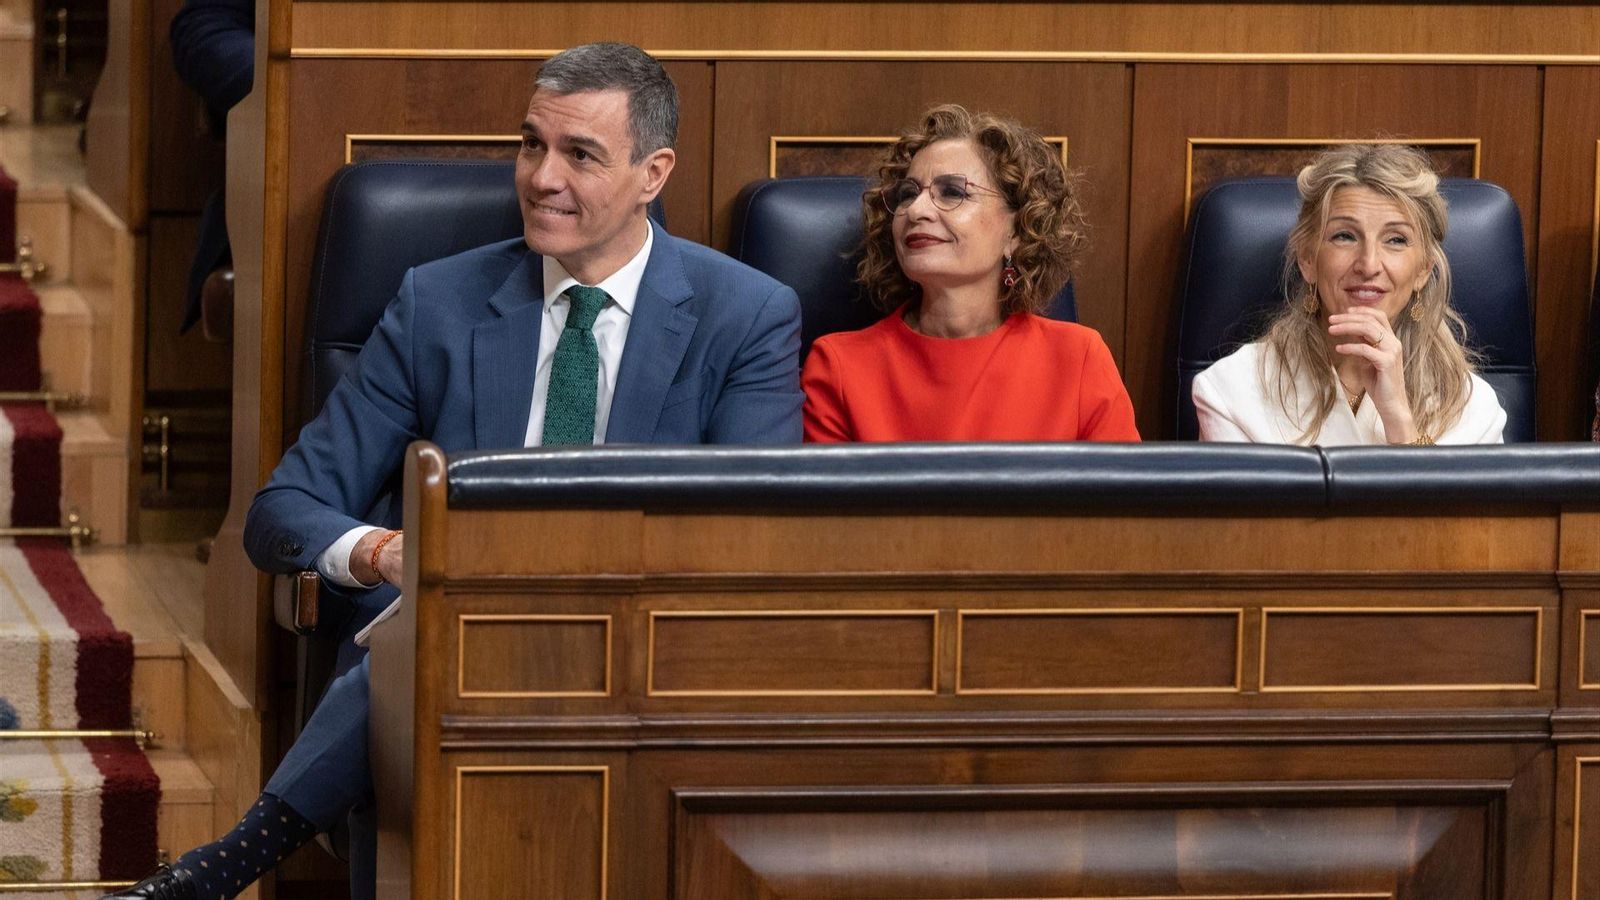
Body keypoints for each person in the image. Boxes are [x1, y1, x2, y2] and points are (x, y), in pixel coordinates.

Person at [106, 42, 802, 900]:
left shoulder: (745, 316)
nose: (542, 178)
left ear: (653, 172)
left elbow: (753, 536)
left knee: (427, 643)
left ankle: (236, 859)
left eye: (579, 155)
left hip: (645, 646)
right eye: (530, 144)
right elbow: (282, 510)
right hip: (450, 639)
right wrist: (384, 555)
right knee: (429, 631)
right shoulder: (437, 302)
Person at [801, 104, 1138, 443]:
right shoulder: (839, 367)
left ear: (1019, 231)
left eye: (952, 192)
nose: (916, 210)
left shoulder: (1079, 360)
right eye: (908, 194)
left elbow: (1123, 494)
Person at [1192, 143, 1505, 445]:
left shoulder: (1473, 407)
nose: (1369, 264)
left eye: (1395, 240)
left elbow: (1458, 503)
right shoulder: (1230, 391)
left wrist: (1399, 420)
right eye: (1344, 236)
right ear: (1308, 260)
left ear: (1423, 270)